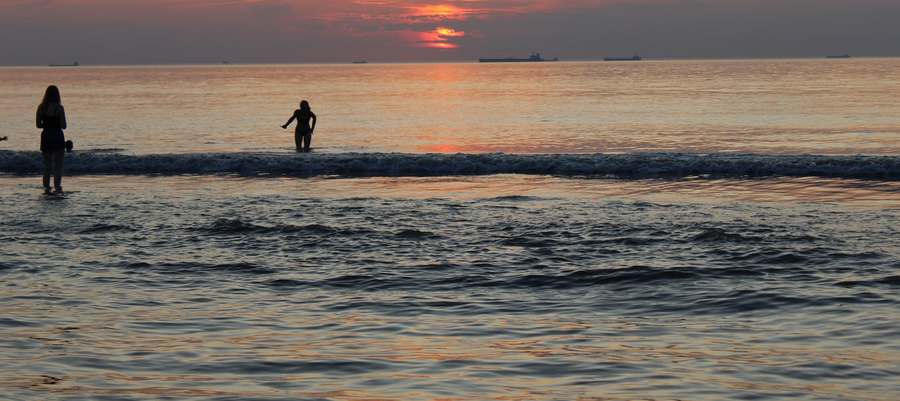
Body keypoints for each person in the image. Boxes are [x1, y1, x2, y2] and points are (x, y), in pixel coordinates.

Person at [36, 85, 67, 194]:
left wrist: (47, 123)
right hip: (57, 136)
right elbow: (64, 125)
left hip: (46, 137)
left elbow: (38, 125)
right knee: (58, 166)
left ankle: (46, 189)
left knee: (47, 167)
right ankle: (57, 188)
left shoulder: (41, 107)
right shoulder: (59, 108)